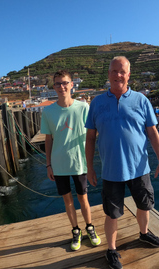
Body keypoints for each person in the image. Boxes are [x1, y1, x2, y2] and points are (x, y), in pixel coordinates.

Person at [85, 56, 159, 269]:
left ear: (129, 75)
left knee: (144, 205)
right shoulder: (97, 103)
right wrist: (89, 167)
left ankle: (143, 234)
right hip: (111, 170)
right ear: (108, 74)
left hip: (140, 167)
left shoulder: (141, 100)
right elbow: (90, 138)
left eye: (122, 71)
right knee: (112, 213)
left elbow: (152, 133)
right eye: (114, 71)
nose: (118, 75)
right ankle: (111, 249)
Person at [40, 70, 101, 251]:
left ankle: (90, 227)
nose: (61, 87)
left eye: (65, 83)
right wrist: (48, 164)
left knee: (84, 199)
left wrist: (91, 164)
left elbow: (92, 134)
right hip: (58, 165)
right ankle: (76, 231)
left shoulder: (83, 107)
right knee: (67, 201)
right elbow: (48, 139)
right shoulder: (48, 111)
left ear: (72, 84)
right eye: (58, 83)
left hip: (79, 162)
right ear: (53, 86)